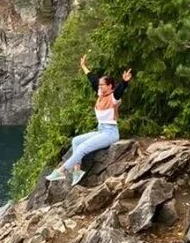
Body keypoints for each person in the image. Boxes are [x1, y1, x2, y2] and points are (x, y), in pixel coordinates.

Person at [48, 55, 132, 186]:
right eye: (99, 85)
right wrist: (84, 67)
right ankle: (77, 170)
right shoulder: (101, 94)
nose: (99, 87)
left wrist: (124, 82)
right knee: (76, 141)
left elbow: (119, 91)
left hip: (110, 134)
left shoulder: (113, 97)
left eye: (102, 85)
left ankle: (61, 171)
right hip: (101, 130)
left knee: (82, 148)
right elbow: (93, 80)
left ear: (110, 86)